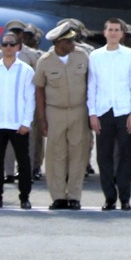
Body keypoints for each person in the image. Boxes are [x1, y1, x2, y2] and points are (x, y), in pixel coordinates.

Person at [34, 22, 90, 210]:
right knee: (56, 155)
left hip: (78, 110)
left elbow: (91, 83)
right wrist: (42, 119)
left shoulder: (82, 56)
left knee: (78, 154)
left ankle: (74, 195)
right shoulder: (45, 60)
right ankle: (58, 196)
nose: (73, 43)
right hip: (55, 111)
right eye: (69, 40)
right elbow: (39, 90)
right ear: (59, 42)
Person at [87, 18, 131, 211]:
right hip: (102, 111)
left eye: (117, 30)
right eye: (110, 29)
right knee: (104, 156)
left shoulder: (129, 55)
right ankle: (109, 197)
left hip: (124, 111)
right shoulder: (95, 55)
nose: (113, 33)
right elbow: (91, 86)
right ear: (104, 32)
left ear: (122, 34)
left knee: (125, 156)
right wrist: (92, 114)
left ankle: (125, 197)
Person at [0, 30, 36, 209]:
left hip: (18, 124)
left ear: (18, 47)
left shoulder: (26, 70)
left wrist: (26, 122)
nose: (8, 47)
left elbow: (30, 97)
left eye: (12, 44)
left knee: (24, 162)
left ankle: (24, 197)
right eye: (5, 44)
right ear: (1, 47)